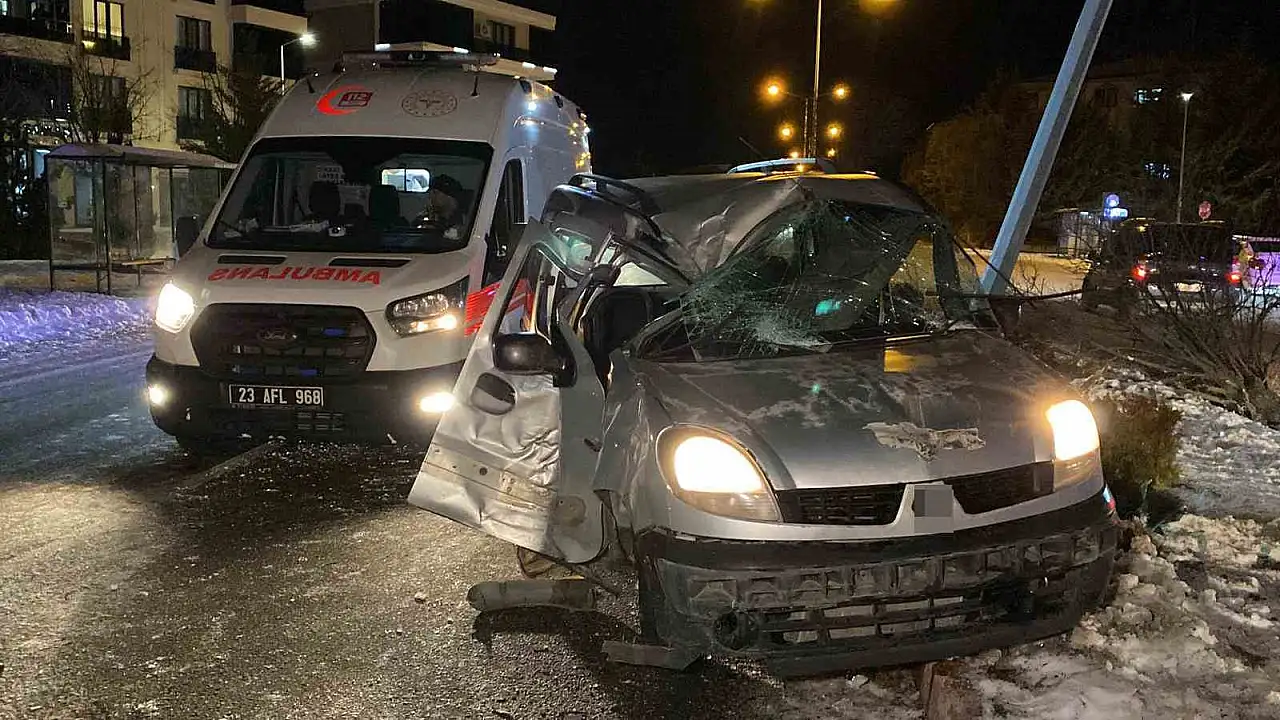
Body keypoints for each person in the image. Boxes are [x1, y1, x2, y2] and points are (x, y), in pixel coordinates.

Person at [414, 174, 467, 241]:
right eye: (430, 193)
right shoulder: (425, 216)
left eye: (435, 193)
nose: (431, 196)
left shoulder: (466, 220)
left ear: (449, 196)